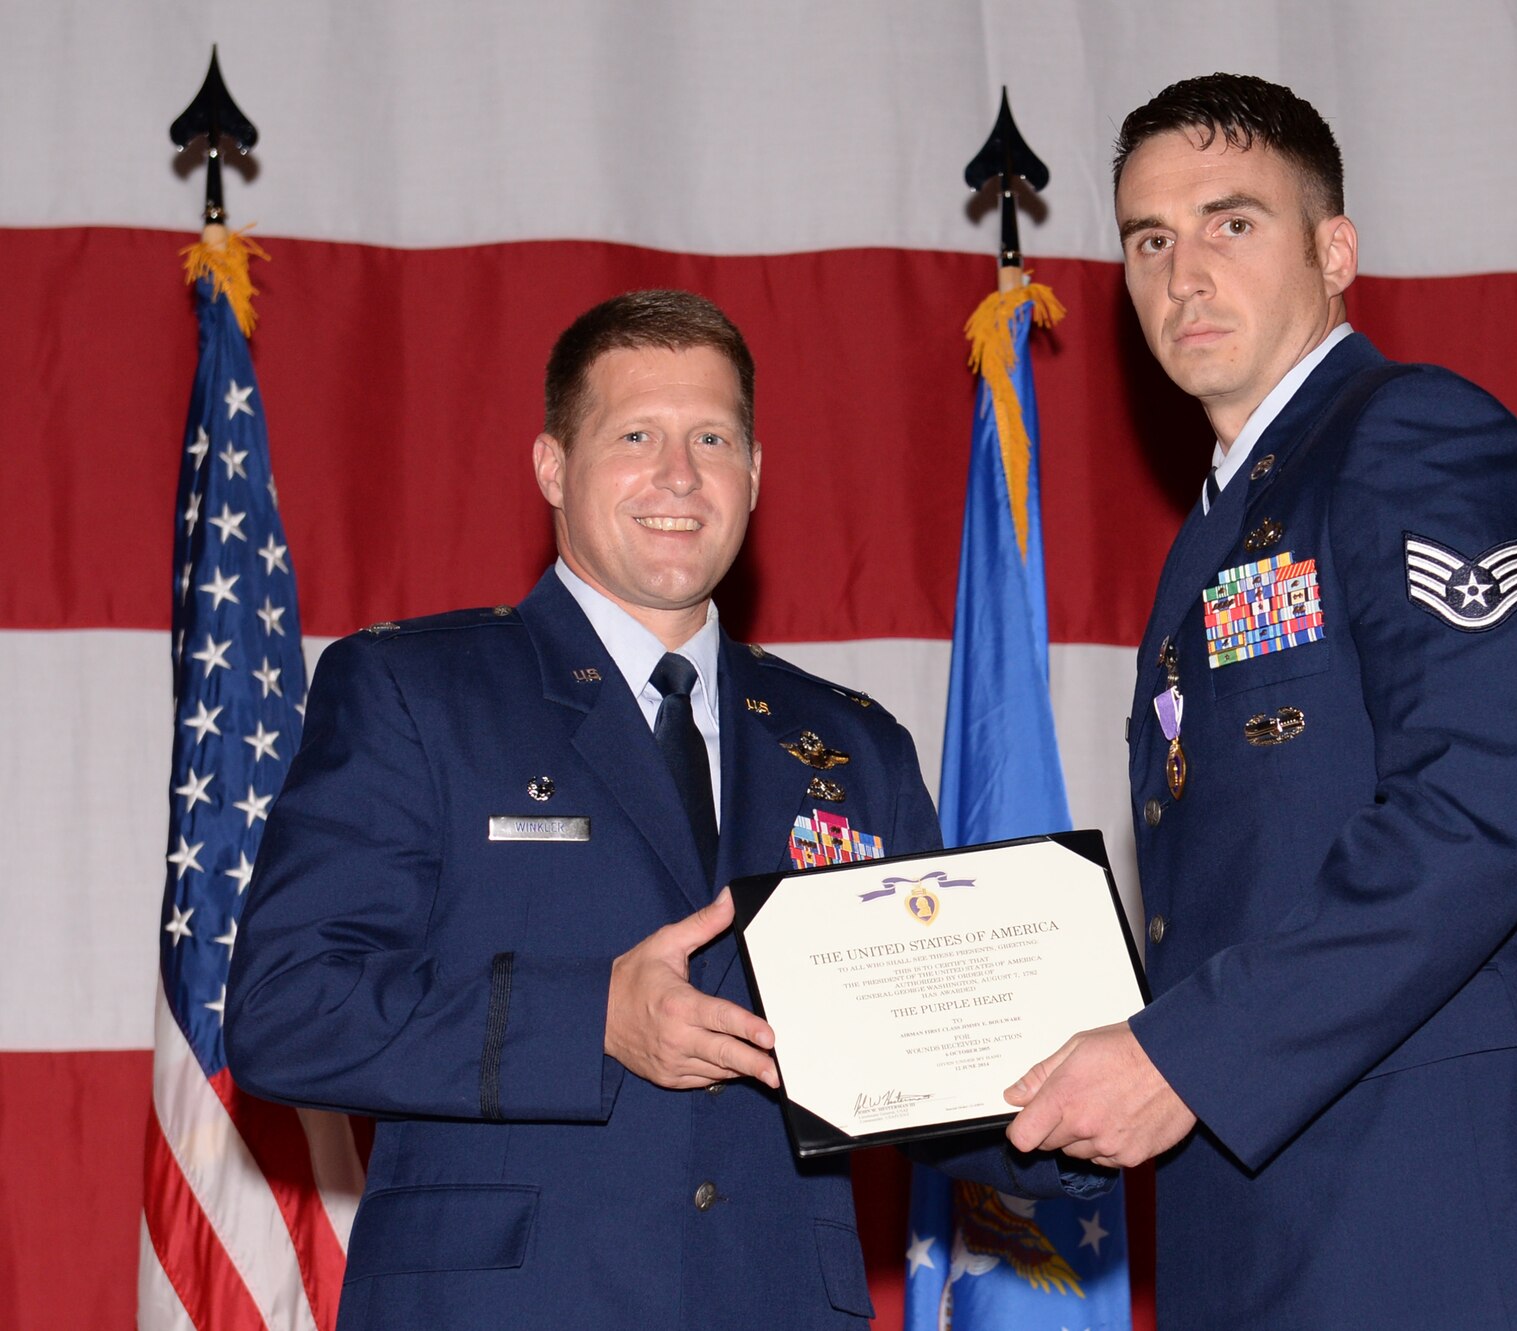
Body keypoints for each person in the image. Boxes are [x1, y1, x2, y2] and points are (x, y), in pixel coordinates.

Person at [228, 290, 1096, 1329]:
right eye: (636, 434)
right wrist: (587, 1017)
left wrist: (1075, 1096)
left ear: (755, 474)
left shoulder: (852, 744)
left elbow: (916, 1068)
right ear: (552, 465)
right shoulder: (416, 690)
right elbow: (286, 1010)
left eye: (712, 438)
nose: (678, 475)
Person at [1003, 75, 1517, 1327]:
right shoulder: (1219, 532)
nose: (1182, 273)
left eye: (1229, 222)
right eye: (1149, 239)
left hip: (1434, 1234)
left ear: (1334, 249)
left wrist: (1180, 1056)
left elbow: (1483, 809)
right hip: (1263, 1229)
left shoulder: (1413, 437)